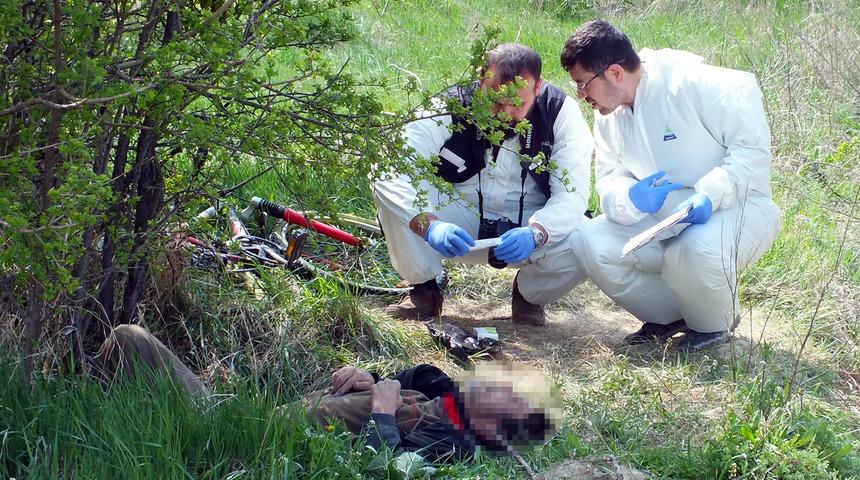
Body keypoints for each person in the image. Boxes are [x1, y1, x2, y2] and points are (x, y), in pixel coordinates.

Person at [558, 20, 782, 350]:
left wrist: (711, 192)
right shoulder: (608, 113)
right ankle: (669, 316)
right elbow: (608, 180)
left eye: (583, 84)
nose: (581, 95)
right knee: (587, 239)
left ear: (616, 73)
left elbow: (751, 152)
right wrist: (630, 198)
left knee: (691, 249)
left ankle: (713, 324)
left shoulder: (691, 82)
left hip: (740, 208)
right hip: (663, 218)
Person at [93, 325, 563, 462]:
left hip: (233, 435)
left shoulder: (451, 440)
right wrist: (368, 376)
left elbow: (391, 468)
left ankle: (99, 430)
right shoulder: (444, 392)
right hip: (241, 412)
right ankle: (104, 413)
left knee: (131, 341)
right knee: (127, 341)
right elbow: (404, 375)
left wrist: (382, 413)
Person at [373, 43, 593, 325]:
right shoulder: (450, 105)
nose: (505, 113)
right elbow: (389, 163)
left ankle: (530, 295)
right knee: (392, 196)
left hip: (528, 224)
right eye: (496, 102)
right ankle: (424, 288)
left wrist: (538, 232)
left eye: (518, 104)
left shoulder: (561, 113)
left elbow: (573, 195)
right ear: (481, 84)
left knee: (585, 234)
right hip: (459, 216)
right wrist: (429, 224)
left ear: (538, 89)